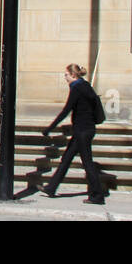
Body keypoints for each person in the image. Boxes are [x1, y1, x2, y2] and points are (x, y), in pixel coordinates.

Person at [40, 62, 106, 204]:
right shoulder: (86, 86)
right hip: (84, 130)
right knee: (67, 158)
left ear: (73, 75)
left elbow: (66, 110)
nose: (65, 78)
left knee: (87, 163)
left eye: (66, 75)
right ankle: (51, 188)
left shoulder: (77, 88)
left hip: (82, 130)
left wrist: (50, 128)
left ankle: (97, 195)